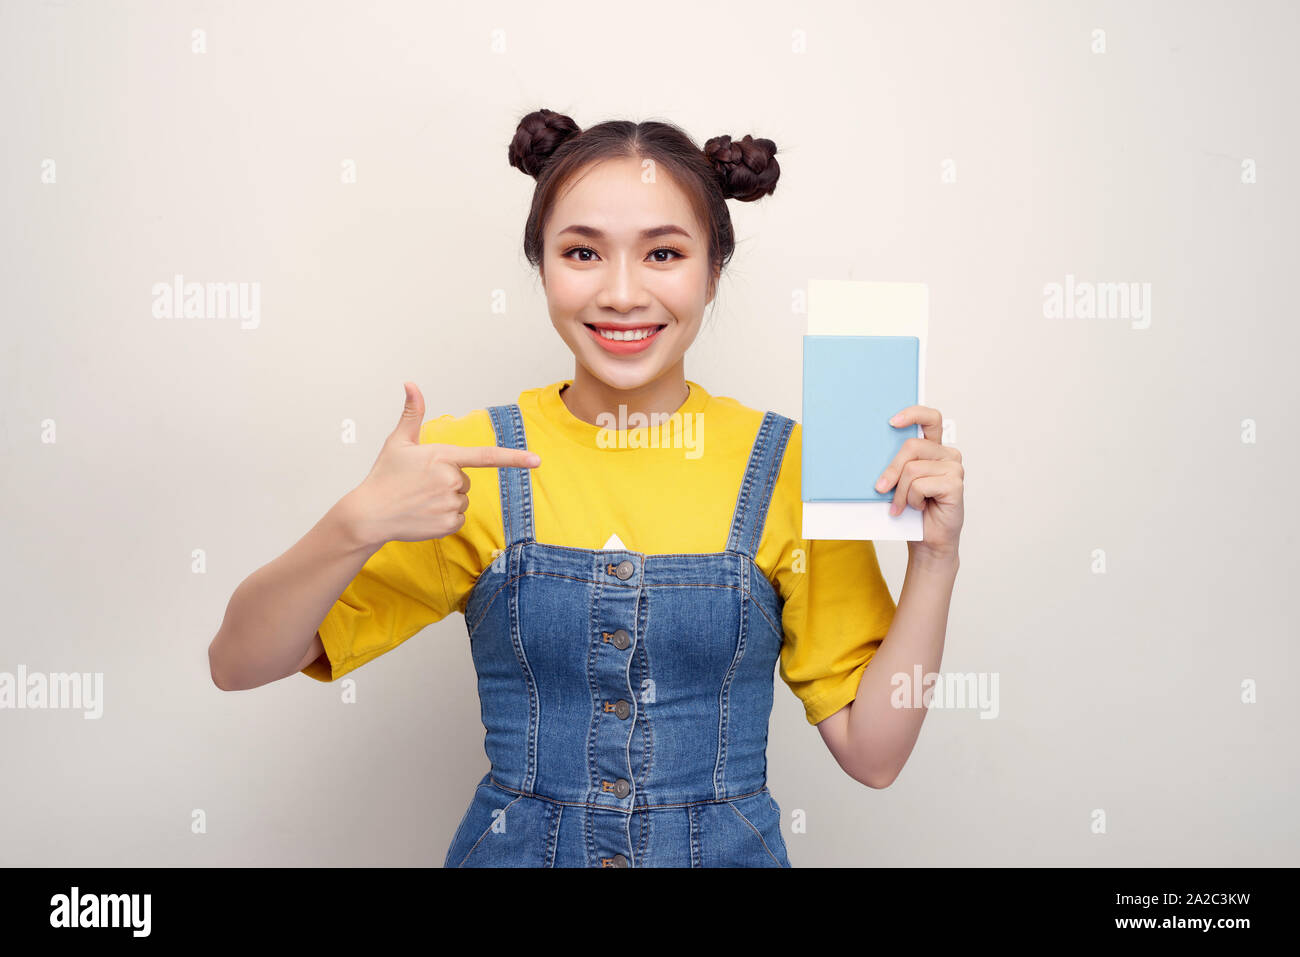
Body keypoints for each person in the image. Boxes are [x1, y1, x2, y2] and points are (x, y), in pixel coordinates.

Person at [207, 109, 965, 867]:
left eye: (664, 252)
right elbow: (238, 661)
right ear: (542, 265)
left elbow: (874, 753)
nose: (623, 293)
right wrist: (357, 521)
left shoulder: (790, 465)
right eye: (582, 253)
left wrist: (934, 559)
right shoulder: (472, 459)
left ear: (714, 270)